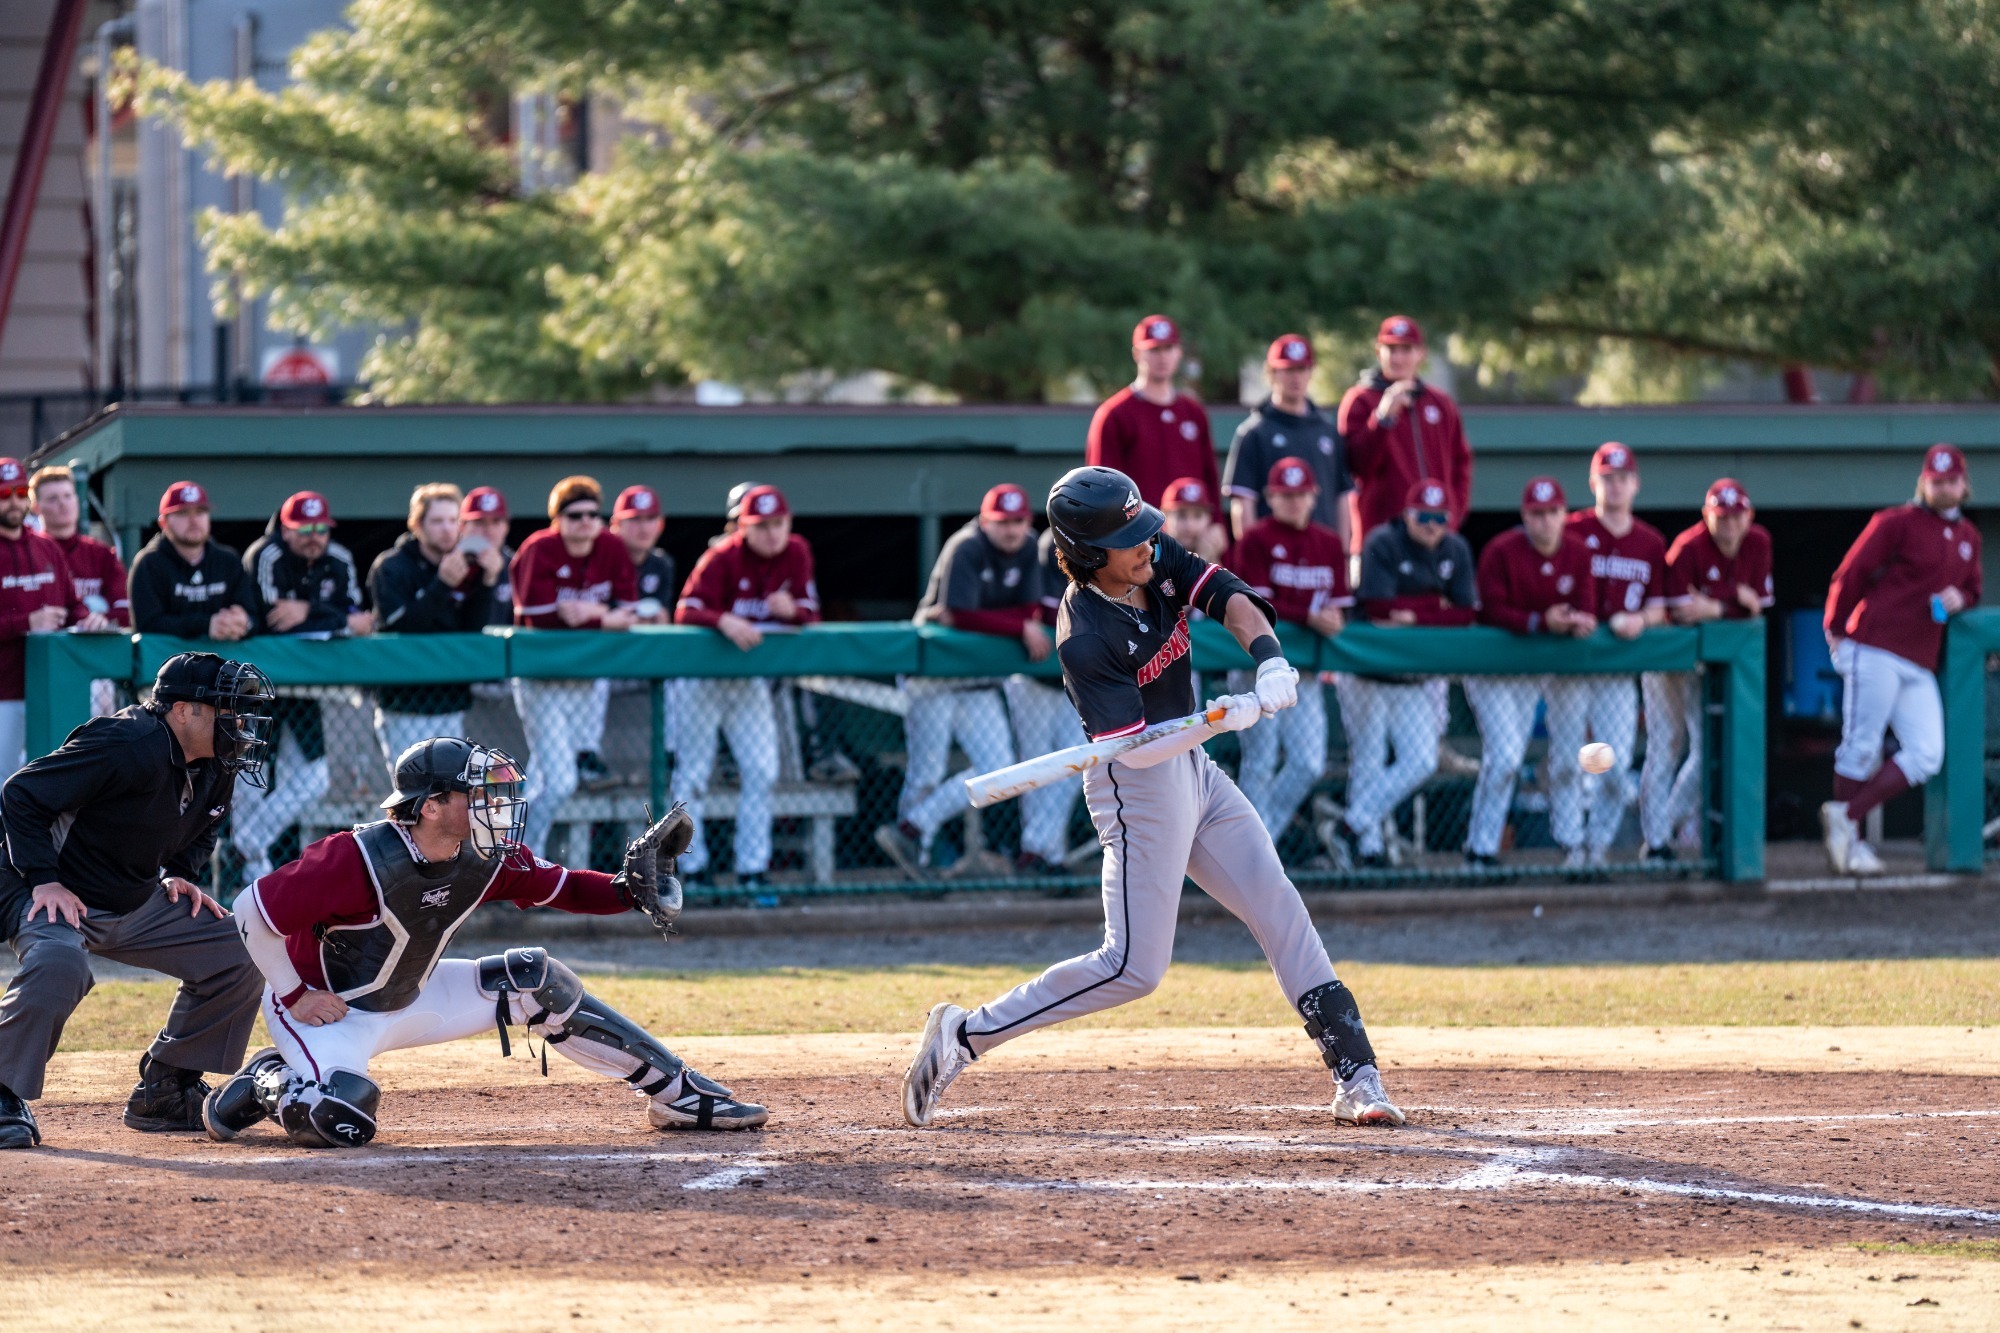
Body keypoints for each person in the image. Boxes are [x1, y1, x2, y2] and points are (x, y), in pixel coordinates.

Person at [901, 465, 1403, 1129]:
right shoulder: (1085, 635)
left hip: (1193, 764)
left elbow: (1227, 594)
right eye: (1127, 539)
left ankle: (1357, 1076)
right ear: (1087, 553)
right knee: (1133, 968)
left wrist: (1269, 658)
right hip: (1135, 784)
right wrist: (1218, 720)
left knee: (1278, 905)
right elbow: (1135, 749)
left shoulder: (1153, 558)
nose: (1145, 545)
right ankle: (964, 1034)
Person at [202, 738, 765, 1148]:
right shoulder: (355, 857)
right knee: (344, 1115)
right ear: (429, 806)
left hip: (410, 996)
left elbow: (562, 887)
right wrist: (294, 993)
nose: (496, 806)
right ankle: (269, 1079)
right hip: (329, 1013)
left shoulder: (485, 854)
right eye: (479, 795)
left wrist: (627, 892)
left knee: (537, 979)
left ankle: (680, 1094)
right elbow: (251, 910)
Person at [0, 652, 272, 1149]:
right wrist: (43, 878)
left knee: (242, 949)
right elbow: (20, 794)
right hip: (51, 891)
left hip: (130, 895)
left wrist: (182, 873)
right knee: (60, 965)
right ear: (183, 711)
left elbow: (206, 822)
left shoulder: (217, 759)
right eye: (227, 710)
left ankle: (165, 1091)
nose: (239, 723)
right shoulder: (125, 743)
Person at [1820, 445, 1981, 875]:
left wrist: (1961, 597)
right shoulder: (1896, 521)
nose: (1943, 487)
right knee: (1861, 745)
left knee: (1928, 753)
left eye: (1951, 480)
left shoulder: (1969, 536)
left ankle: (1845, 816)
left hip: (1919, 657)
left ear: (1964, 484)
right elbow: (1850, 573)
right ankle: (1850, 845)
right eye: (1936, 480)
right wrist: (1835, 629)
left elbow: (1974, 589)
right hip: (1875, 645)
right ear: (1924, 482)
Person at [878, 484, 1044, 878]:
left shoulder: (1029, 547)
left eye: (1017, 521)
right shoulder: (966, 545)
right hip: (933, 675)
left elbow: (1030, 609)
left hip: (978, 679)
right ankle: (915, 865)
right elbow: (959, 613)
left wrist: (1009, 621)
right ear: (985, 521)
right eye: (1002, 522)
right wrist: (1016, 625)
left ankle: (911, 828)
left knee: (999, 768)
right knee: (927, 773)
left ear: (1028, 521)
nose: (1011, 530)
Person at [672, 484, 817, 890]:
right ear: (743, 527)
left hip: (748, 681)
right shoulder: (722, 557)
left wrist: (794, 610)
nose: (771, 533)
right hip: (703, 678)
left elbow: (811, 613)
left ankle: (752, 868)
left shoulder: (797, 552)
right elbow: (685, 611)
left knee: (762, 771)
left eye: (777, 523)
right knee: (693, 774)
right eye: (761, 525)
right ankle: (692, 868)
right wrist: (722, 619)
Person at [1327, 480, 1478, 867]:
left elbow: (1465, 613)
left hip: (1411, 677)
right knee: (1369, 757)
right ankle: (1369, 849)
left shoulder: (1455, 549)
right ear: (1407, 515)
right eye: (1423, 516)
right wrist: (1436, 608)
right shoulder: (1383, 542)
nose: (1431, 525)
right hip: (1366, 671)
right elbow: (1379, 608)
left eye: (1439, 518)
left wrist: (1415, 613)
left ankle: (1350, 825)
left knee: (1422, 760)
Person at [234, 491, 374, 883]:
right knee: (249, 779)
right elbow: (271, 620)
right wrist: (336, 620)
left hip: (308, 688)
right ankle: (249, 867)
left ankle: (247, 844)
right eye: (304, 529)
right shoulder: (267, 555)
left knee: (314, 779)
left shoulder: (339, 558)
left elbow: (357, 617)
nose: (314, 537)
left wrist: (308, 610)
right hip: (260, 686)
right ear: (285, 529)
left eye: (320, 529)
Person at [1463, 478, 1597, 867]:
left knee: (1559, 757)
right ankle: (1480, 848)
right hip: (1493, 669)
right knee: (1505, 759)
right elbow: (1490, 610)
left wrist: (1579, 621)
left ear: (1564, 514)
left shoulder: (1577, 551)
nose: (1545, 521)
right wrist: (1541, 622)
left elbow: (1588, 604)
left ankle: (1570, 844)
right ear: (1525, 515)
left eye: (1552, 512)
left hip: (1533, 673)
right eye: (1537, 513)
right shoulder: (1501, 550)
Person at [1551, 443, 1667, 866]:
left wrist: (1641, 620)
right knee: (1567, 759)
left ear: (1635, 484)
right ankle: (1570, 844)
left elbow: (1660, 608)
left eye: (1622, 478)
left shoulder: (1650, 541)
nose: (1615, 486)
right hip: (1570, 660)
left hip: (1617, 667)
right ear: (1593, 483)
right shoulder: (1571, 529)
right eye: (1607, 478)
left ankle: (1598, 844)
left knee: (1612, 765)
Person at [510, 476, 638, 857]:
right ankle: (520, 852)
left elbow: (630, 612)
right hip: (541, 679)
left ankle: (516, 854)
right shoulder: (539, 548)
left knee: (545, 778)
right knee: (562, 781)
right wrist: (604, 616)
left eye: (592, 515)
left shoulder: (611, 546)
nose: (585, 522)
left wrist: (590, 613)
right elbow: (537, 615)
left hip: (586, 680)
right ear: (557, 519)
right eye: (575, 515)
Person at [1645, 479, 1773, 860]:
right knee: (1665, 745)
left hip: (1706, 664)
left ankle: (1663, 829)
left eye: (1736, 516)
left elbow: (1757, 609)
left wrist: (1716, 605)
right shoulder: (1688, 546)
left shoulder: (1759, 543)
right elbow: (1680, 611)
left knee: (1706, 748)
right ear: (1707, 516)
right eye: (1722, 517)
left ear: (1748, 516)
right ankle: (1657, 839)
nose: (1729, 524)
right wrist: (1734, 601)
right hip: (1667, 659)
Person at [1227, 457, 1350, 842]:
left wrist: (1333, 618)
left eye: (1300, 494)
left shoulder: (1329, 542)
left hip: (1303, 672)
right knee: (1260, 761)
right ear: (1270, 497)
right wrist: (1310, 616)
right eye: (1285, 495)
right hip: (1256, 665)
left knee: (1309, 763)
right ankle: (1249, 848)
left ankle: (1262, 840)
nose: (1294, 502)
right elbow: (1256, 606)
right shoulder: (1255, 539)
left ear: (1314, 496)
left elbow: (1340, 605)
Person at [369, 483, 500, 773]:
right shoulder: (391, 566)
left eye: (453, 521)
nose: (447, 529)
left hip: (450, 699)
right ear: (417, 525)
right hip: (404, 702)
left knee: (449, 786)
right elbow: (400, 630)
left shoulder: (467, 563)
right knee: (412, 788)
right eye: (437, 521)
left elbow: (472, 630)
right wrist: (441, 586)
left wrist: (487, 583)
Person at [1337, 316, 1472, 546]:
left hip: (1436, 533)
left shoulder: (1441, 403)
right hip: (1382, 536)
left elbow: (1461, 462)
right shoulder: (1360, 399)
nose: (1398, 358)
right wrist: (1382, 419)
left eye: (1406, 349)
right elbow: (1355, 466)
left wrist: (1453, 513)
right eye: (1391, 349)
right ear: (1379, 352)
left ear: (1421, 353)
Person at [0, 458, 97, 776]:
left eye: (19, 492)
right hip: (4, 693)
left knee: (57, 781)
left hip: (54, 688)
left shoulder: (46, 547)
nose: (14, 502)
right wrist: (27, 623)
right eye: (4, 494)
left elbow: (73, 604)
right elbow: (30, 620)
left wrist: (87, 619)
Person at [1223, 334, 1352, 547]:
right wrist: (1250, 555)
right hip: (1272, 555)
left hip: (1321, 554)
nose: (1296, 377)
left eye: (1302, 369)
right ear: (1272, 373)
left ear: (1311, 372)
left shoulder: (1328, 431)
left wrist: (1343, 552)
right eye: (1288, 370)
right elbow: (1243, 503)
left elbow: (1342, 497)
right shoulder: (1255, 432)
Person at [1084, 315, 1221, 514]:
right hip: (1137, 527)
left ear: (1179, 352)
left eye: (1168, 348)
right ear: (1137, 354)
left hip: (1190, 527)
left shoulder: (1194, 412)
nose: (1162, 357)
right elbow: (1101, 485)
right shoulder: (1114, 413)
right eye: (1154, 349)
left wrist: (1216, 522)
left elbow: (1209, 476)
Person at [127, 480, 253, 641]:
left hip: (225, 656)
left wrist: (243, 622)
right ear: (164, 522)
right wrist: (206, 625)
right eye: (183, 513)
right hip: (167, 657)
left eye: (200, 512)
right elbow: (147, 625)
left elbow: (255, 618)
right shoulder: (149, 563)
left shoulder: (228, 561)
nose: (193, 520)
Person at [30, 465, 127, 628]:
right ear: (36, 508)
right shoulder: (29, 554)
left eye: (68, 496)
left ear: (77, 500)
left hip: (94, 641)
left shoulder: (101, 554)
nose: (63, 504)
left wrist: (102, 619)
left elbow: (125, 609)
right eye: (53, 499)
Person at [459, 486, 517, 629]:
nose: (488, 530)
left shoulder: (517, 566)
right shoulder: (447, 564)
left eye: (496, 522)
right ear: (463, 526)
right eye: (480, 522)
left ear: (506, 527)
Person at [1159, 476, 1232, 564]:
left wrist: (1213, 557)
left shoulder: (1217, 552)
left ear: (1209, 518)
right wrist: (1203, 558)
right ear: (1164, 517)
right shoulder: (1152, 556)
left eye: (1198, 515)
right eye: (1181, 515)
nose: (1189, 525)